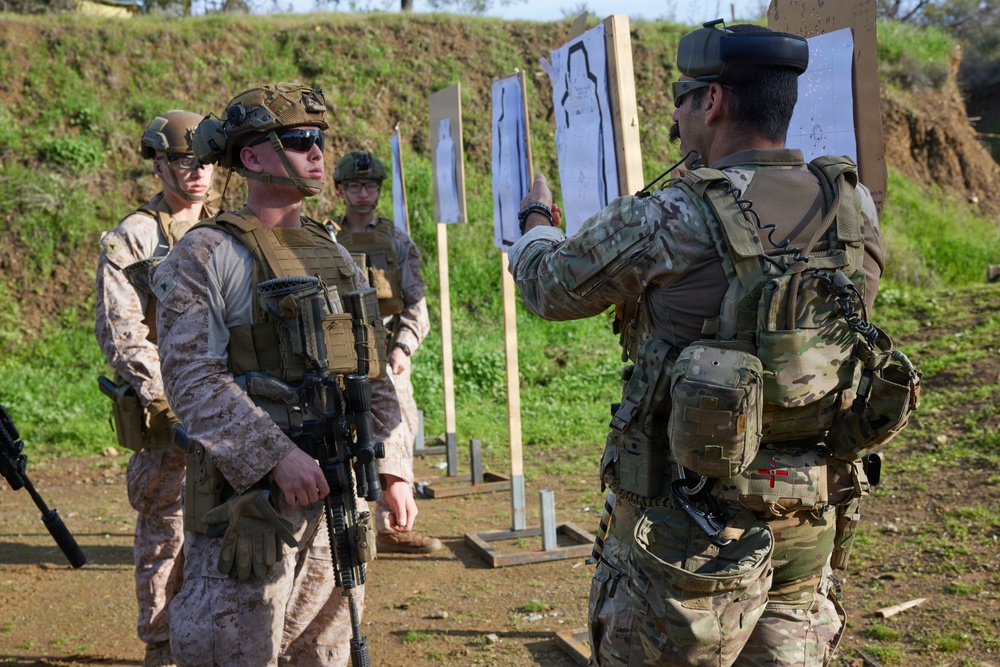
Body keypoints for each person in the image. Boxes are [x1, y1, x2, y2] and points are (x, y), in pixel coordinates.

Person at [508, 22, 885, 667]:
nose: (678, 118)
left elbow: (548, 286)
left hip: (685, 530)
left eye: (682, 99)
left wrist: (536, 224)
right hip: (808, 511)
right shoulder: (853, 208)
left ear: (712, 102)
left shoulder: (673, 214)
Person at [151, 83, 417, 666]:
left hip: (338, 497)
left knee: (324, 650)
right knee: (236, 649)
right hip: (253, 505)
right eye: (299, 140)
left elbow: (372, 373)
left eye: (320, 139)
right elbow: (192, 381)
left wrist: (394, 466)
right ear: (252, 157)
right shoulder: (206, 254)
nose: (318, 152)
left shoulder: (335, 253)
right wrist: (274, 455)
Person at [95, 109, 215, 667]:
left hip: (227, 412)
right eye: (185, 162)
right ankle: (162, 642)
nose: (197, 173)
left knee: (221, 531)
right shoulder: (133, 238)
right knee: (165, 531)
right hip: (170, 418)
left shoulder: (228, 229)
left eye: (206, 162)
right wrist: (173, 399)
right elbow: (123, 335)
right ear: (159, 164)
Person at [327, 149, 441, 555]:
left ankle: (393, 525)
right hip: (335, 357)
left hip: (387, 355)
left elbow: (416, 306)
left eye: (370, 185)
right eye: (355, 185)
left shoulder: (397, 241)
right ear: (340, 189)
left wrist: (403, 348)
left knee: (396, 432)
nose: (363, 193)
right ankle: (348, 525)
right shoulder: (326, 238)